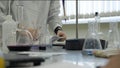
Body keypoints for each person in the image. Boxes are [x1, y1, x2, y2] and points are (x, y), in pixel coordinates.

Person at [0, 0, 66, 45]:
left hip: (41, 44)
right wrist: (18, 28)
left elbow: (53, 14)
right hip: (15, 43)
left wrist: (58, 29)